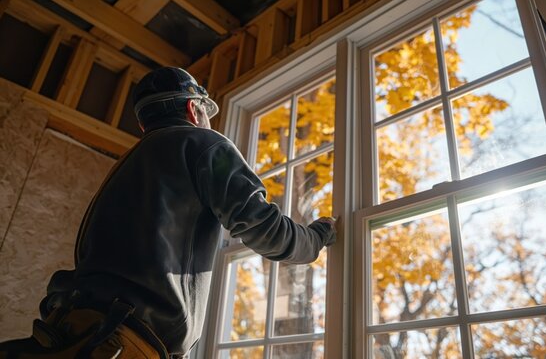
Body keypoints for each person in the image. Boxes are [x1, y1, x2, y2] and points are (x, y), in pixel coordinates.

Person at [0, 67, 337, 358]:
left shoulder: (126, 166)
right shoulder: (204, 144)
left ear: (145, 124)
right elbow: (265, 230)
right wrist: (319, 236)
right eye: (207, 114)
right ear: (194, 109)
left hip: (74, 328)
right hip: (124, 341)